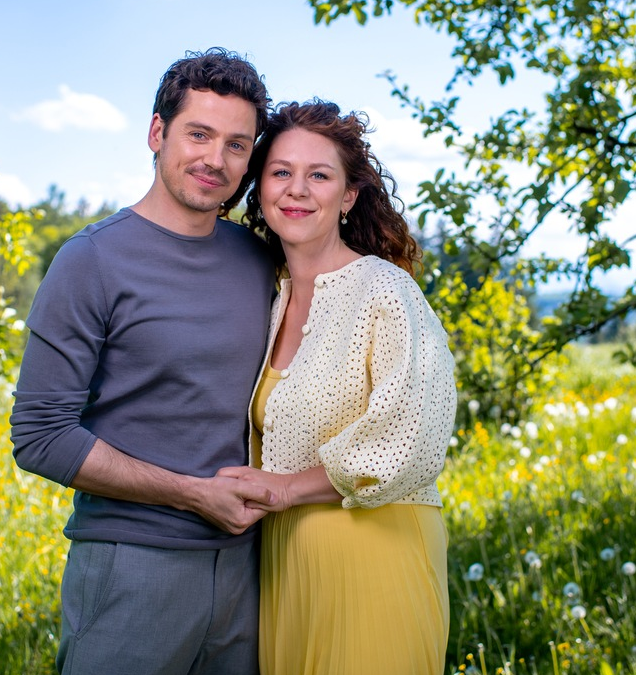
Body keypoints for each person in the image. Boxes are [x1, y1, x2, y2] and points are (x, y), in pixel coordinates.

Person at [10, 48, 276, 675]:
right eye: (198, 134)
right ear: (157, 133)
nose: (215, 160)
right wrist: (194, 496)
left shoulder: (260, 259)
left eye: (236, 145)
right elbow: (39, 436)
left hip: (251, 567)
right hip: (132, 565)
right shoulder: (91, 261)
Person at [217, 100, 458, 675]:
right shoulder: (271, 298)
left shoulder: (384, 291)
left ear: (348, 196)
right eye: (281, 171)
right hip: (285, 564)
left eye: (319, 175)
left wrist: (284, 490)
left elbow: (410, 440)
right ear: (260, 187)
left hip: (375, 554)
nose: (297, 189)